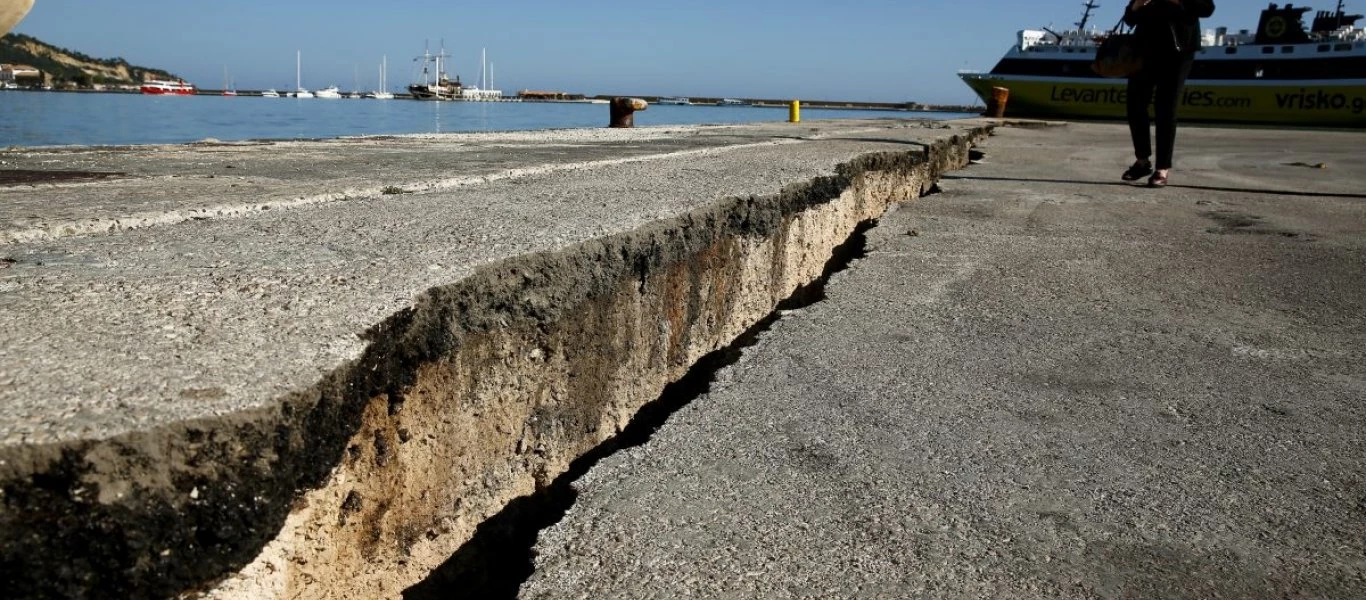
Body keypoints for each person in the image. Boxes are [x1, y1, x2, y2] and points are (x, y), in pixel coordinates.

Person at [1120, 0, 1215, 187]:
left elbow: (1207, 8)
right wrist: (1137, 4)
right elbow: (1130, 19)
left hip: (1179, 51)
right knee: (1135, 104)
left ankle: (1162, 169)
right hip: (1144, 51)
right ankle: (1142, 160)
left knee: (1166, 108)